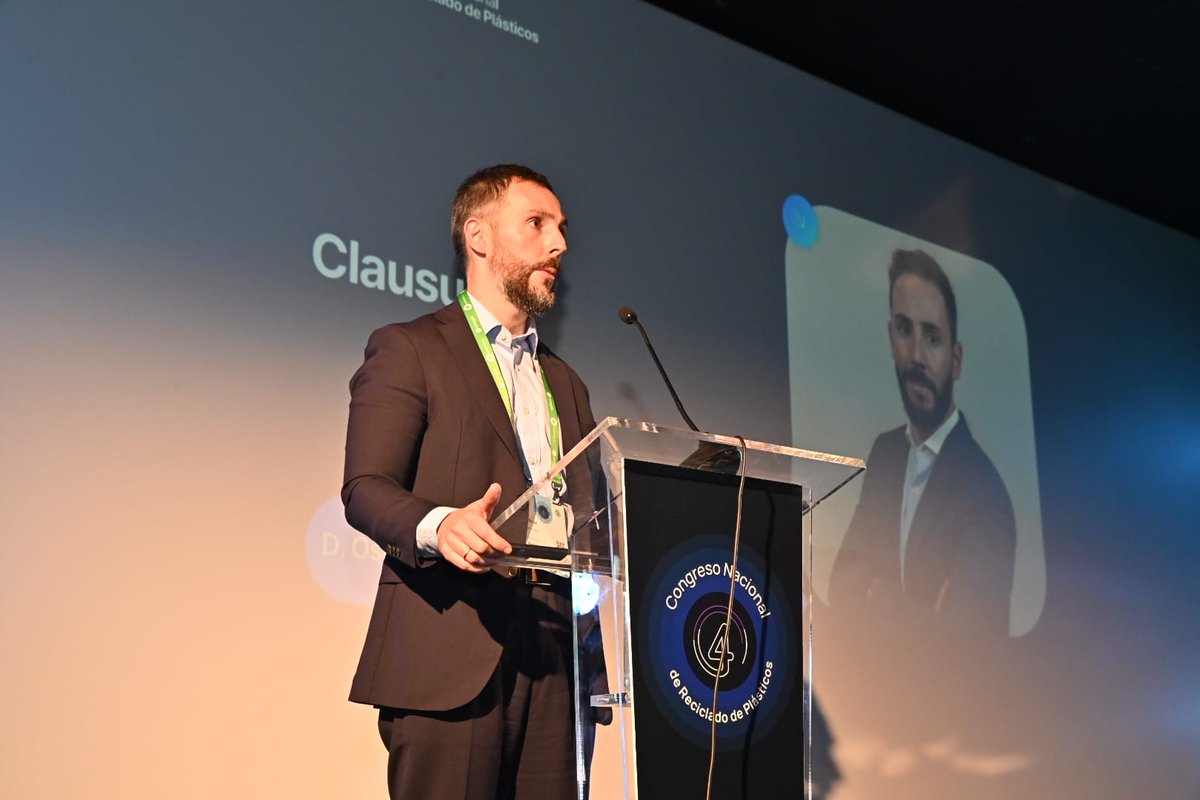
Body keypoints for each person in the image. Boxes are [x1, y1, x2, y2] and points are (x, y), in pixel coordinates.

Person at [341, 164, 599, 799]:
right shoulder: (411, 348)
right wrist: (440, 525)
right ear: (478, 237)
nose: (558, 243)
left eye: (561, 228)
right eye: (537, 224)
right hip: (451, 647)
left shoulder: (565, 382)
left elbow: (594, 516)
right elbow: (366, 487)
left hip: (554, 653)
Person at [829, 249, 1016, 636]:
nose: (916, 355)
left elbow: (961, 641)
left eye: (932, 337)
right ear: (890, 338)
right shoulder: (885, 453)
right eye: (904, 330)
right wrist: (919, 612)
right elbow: (842, 580)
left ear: (957, 359)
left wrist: (876, 596)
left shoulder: (984, 491)